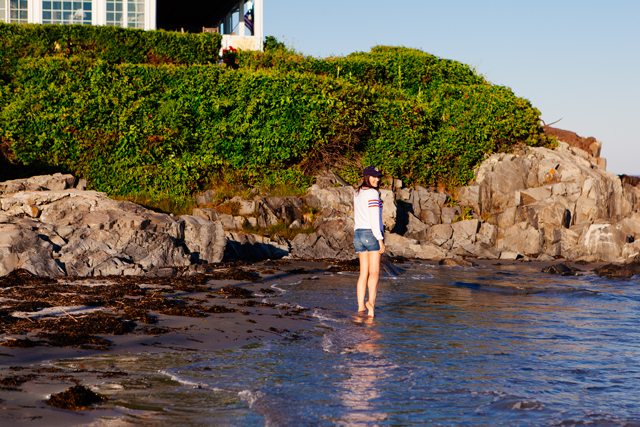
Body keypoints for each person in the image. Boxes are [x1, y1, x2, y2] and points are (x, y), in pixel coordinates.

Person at [353, 165, 385, 317]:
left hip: (358, 234)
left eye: (378, 177)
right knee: (374, 271)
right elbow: (374, 219)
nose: (377, 179)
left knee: (363, 273)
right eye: (373, 176)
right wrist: (380, 239)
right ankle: (371, 303)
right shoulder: (372, 193)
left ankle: (360, 308)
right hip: (370, 233)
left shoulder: (357, 192)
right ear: (366, 176)